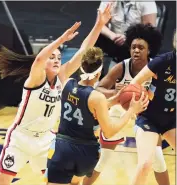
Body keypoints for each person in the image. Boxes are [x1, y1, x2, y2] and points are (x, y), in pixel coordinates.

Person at [0, 4, 112, 185]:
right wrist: (62, 39)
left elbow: (83, 51)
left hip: (45, 140)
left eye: (58, 57)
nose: (56, 60)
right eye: (52, 57)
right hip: (20, 139)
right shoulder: (35, 79)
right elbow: (40, 59)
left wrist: (99, 24)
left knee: (59, 181)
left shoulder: (62, 77)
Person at [46, 46, 148, 185]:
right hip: (87, 154)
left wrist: (116, 100)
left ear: (82, 67)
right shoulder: (97, 98)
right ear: (99, 74)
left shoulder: (67, 84)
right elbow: (109, 130)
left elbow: (85, 103)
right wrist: (130, 110)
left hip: (63, 149)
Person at [83, 23, 170, 185]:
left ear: (149, 50)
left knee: (157, 159)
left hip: (145, 114)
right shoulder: (122, 67)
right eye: (133, 47)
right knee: (104, 157)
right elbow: (99, 88)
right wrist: (116, 93)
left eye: (140, 48)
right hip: (119, 111)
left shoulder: (157, 67)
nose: (136, 50)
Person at [129, 30, 176, 185]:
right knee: (145, 165)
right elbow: (134, 84)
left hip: (172, 119)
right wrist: (137, 102)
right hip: (149, 117)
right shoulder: (163, 61)